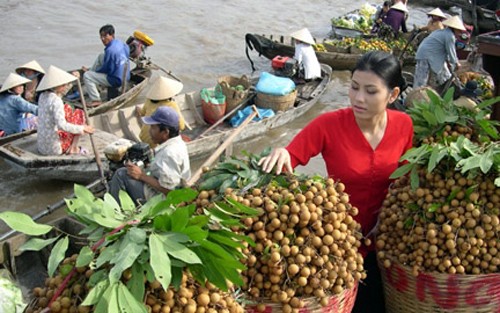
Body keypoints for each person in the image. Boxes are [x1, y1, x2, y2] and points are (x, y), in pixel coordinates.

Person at [258, 51, 414, 313]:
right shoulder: (328, 124)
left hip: (386, 241)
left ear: (393, 95)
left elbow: (406, 181)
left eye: (370, 91)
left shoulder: (404, 125)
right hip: (337, 244)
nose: (358, 98)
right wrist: (282, 152)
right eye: (353, 87)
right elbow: (292, 155)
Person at [109, 106, 191, 206]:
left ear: (165, 132)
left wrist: (141, 176)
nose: (149, 131)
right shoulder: (179, 143)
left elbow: (170, 191)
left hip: (163, 200)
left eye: (153, 127)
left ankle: (116, 210)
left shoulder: (168, 154)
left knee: (121, 174)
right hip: (178, 190)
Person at [36, 65, 94, 155]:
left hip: (42, 146)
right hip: (54, 148)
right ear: (56, 86)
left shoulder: (42, 96)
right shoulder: (56, 100)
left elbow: (62, 92)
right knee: (79, 113)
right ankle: (73, 148)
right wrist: (82, 128)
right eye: (63, 84)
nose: (65, 86)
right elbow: (62, 126)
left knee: (67, 108)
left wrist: (73, 80)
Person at [82, 24, 130, 107]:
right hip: (126, 76)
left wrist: (94, 72)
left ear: (112, 35)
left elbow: (106, 69)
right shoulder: (120, 43)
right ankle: (93, 79)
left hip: (116, 80)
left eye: (105, 36)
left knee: (87, 76)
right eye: (101, 36)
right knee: (101, 56)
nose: (103, 39)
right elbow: (127, 52)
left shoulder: (110, 51)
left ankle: (96, 99)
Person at [413, 15, 466, 89]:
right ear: (454, 29)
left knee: (446, 76)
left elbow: (447, 52)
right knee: (421, 80)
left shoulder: (443, 32)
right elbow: (451, 52)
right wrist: (456, 63)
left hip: (431, 54)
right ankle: (415, 95)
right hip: (425, 55)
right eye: (459, 31)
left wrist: (451, 62)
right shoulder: (449, 36)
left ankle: (445, 89)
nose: (459, 34)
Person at [136, 76, 185, 148]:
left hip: (143, 138)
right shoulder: (171, 104)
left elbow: (142, 113)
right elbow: (181, 126)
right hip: (156, 141)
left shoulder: (149, 101)